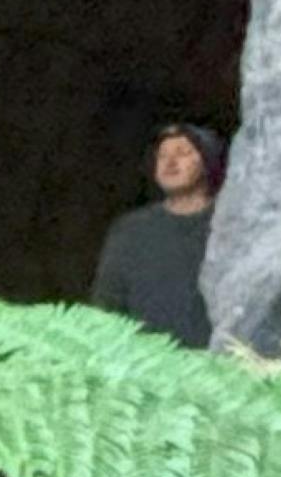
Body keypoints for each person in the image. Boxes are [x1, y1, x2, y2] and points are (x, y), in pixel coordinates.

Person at [90, 121, 224, 347]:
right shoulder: (131, 230)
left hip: (216, 369)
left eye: (184, 153)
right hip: (144, 369)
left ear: (208, 161)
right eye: (162, 156)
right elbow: (107, 305)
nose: (170, 163)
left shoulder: (230, 224)